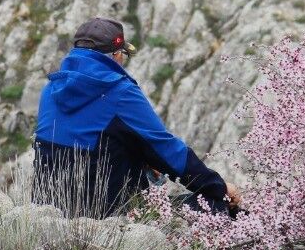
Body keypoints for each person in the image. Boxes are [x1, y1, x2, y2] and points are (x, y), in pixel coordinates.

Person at [33, 17, 241, 218]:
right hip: (104, 218)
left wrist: (141, 160)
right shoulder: (120, 92)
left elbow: (88, 143)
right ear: (115, 56)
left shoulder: (50, 89)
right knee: (217, 207)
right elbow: (167, 150)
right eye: (123, 54)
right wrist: (218, 187)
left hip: (48, 210)